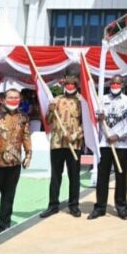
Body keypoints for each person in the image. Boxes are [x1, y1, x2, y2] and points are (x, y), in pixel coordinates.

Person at [0, 89, 32, 240]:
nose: (13, 100)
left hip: (14, 163)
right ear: (3, 99)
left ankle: (4, 225)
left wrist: (28, 154)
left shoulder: (23, 118)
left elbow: (26, 137)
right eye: (10, 97)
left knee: (9, 196)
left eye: (16, 97)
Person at [90, 76, 127, 221]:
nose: (115, 85)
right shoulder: (102, 99)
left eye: (118, 83)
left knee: (121, 176)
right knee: (102, 176)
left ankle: (121, 207)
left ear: (122, 85)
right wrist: (99, 117)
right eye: (113, 83)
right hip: (104, 144)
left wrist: (117, 135)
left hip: (120, 145)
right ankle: (100, 207)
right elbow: (94, 119)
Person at [40, 76, 84, 219]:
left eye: (72, 84)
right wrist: (51, 110)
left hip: (74, 144)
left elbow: (87, 125)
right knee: (55, 176)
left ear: (76, 85)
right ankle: (53, 205)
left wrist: (75, 135)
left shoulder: (82, 101)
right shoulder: (56, 100)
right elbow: (47, 120)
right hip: (57, 143)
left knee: (74, 176)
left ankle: (74, 205)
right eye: (67, 83)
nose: (70, 86)